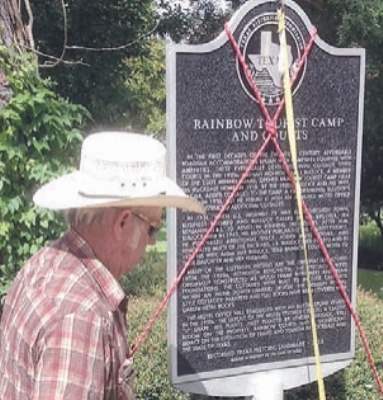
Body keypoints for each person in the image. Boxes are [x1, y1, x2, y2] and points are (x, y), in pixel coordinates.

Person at [0, 131, 204, 399]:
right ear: (123, 223)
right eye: (152, 229)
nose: (152, 242)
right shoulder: (81, 318)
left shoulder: (43, 263)